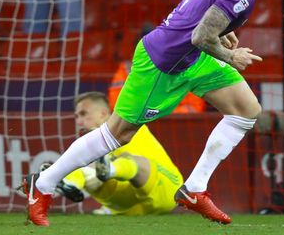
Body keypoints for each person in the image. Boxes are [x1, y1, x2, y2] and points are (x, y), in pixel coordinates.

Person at [22, 0, 284, 226]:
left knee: (246, 110)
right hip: (163, 62)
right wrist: (231, 55)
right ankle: (44, 184)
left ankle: (194, 189)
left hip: (194, 58)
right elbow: (203, 36)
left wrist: (210, 14)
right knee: (117, 135)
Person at [47, 91, 183, 215]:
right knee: (82, 164)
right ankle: (67, 182)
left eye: (83, 114)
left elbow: (132, 161)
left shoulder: (130, 127)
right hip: (129, 208)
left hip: (166, 191)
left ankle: (108, 170)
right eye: (76, 116)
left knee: (130, 160)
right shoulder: (90, 143)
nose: (79, 121)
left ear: (104, 114)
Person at [108, 24, 205, 114]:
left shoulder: (185, 68)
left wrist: (155, 114)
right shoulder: (125, 70)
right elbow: (116, 106)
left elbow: (194, 108)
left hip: (175, 127)